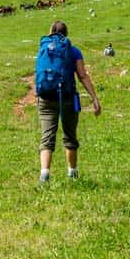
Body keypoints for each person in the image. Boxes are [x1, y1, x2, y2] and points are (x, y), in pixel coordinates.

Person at [35, 20, 101, 182]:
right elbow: (82, 76)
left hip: (45, 97)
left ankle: (44, 174)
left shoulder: (44, 49)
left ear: (50, 32)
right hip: (67, 97)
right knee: (69, 136)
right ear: (66, 34)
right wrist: (94, 98)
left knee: (46, 137)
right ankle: (72, 173)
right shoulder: (73, 51)